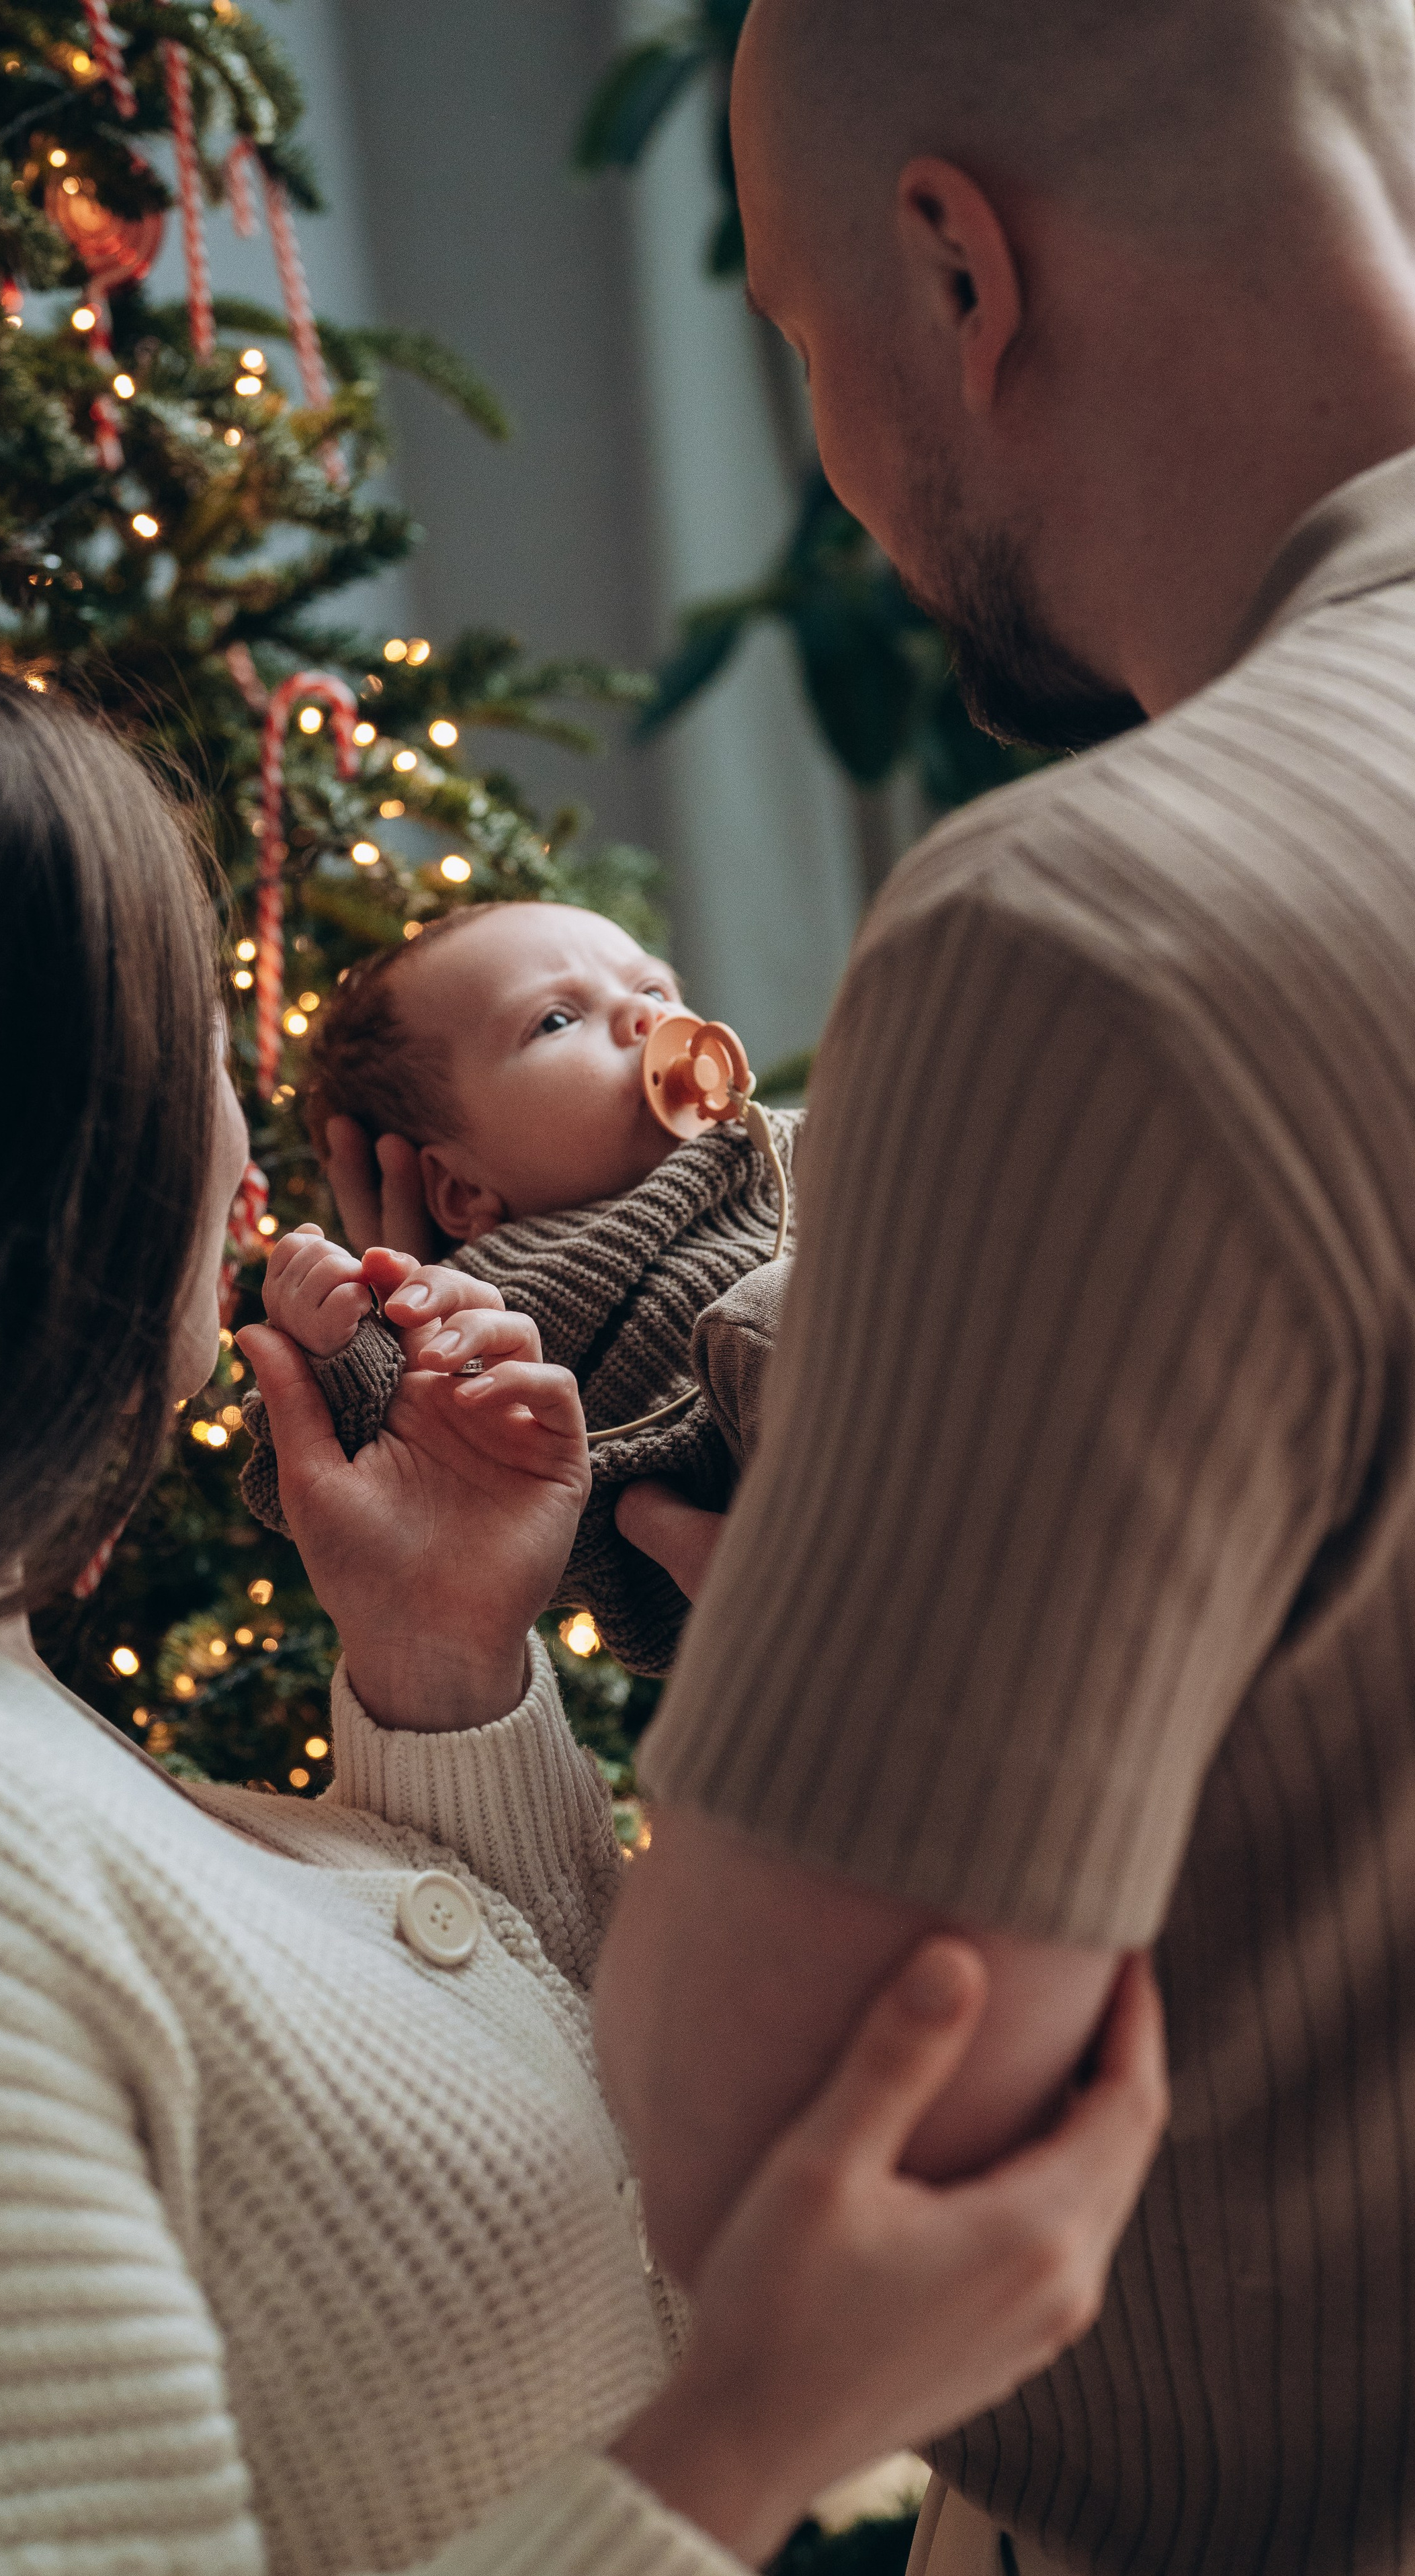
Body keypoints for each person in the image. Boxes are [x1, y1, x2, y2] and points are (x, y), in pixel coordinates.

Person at [0, 627, 1167, 2576]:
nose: (248, 1162)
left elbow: (521, 2152)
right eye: (198, 1054)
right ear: (23, 1158)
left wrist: (447, 1662)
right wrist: (764, 2421)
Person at [587, 1, 1415, 2569]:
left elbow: (755, 2170)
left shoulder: (1094, 940)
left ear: (956, 267)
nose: (841, 471)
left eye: (814, 353)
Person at [239, 901, 798, 1673]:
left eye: (656, 989)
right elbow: (360, 1446)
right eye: (557, 1020)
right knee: (769, 1310)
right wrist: (347, 1337)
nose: (644, 1016)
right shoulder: (498, 1284)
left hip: (922, 1408)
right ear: (461, 1193)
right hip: (765, 1497)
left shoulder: (778, 1142)